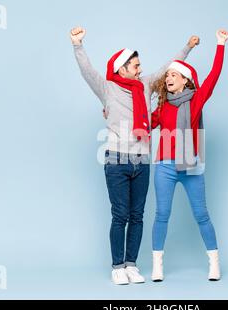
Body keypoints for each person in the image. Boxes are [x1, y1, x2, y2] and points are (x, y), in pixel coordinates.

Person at [69, 26, 199, 285]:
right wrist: (77, 45)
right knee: (120, 215)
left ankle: (131, 264)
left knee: (137, 215)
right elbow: (87, 71)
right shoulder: (107, 88)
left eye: (140, 66)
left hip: (142, 160)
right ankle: (117, 266)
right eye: (136, 66)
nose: (140, 69)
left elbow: (165, 69)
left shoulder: (145, 84)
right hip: (117, 159)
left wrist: (188, 48)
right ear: (122, 69)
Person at [149, 29, 228, 281]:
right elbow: (142, 123)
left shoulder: (195, 101)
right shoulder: (161, 106)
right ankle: (157, 265)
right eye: (168, 75)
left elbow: (214, 76)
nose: (169, 77)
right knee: (162, 214)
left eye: (174, 74)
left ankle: (214, 262)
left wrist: (220, 44)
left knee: (201, 214)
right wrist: (113, 113)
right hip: (164, 166)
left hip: (191, 165)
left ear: (185, 80)